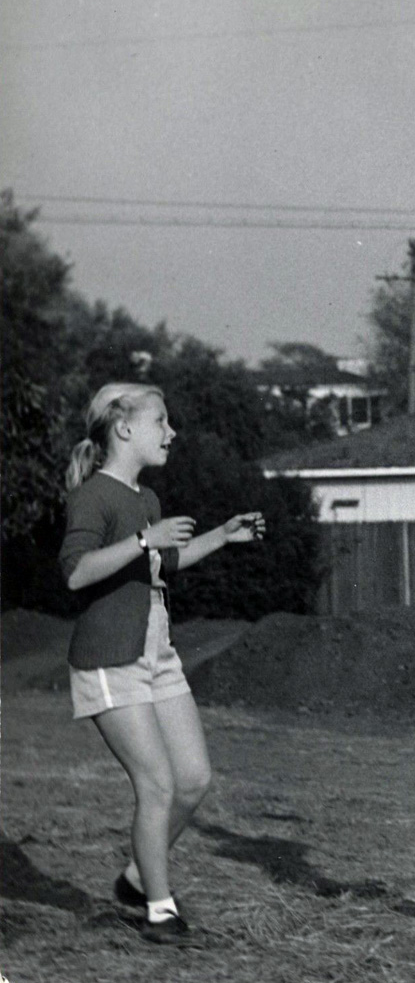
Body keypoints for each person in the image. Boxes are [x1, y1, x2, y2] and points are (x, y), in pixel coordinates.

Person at [59, 382, 265, 944]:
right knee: (156, 787)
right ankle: (160, 910)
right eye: (161, 422)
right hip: (108, 658)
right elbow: (76, 572)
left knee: (194, 782)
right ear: (124, 428)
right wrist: (141, 542)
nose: (171, 433)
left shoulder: (145, 499)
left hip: (158, 653)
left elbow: (163, 563)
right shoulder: (93, 497)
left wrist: (223, 536)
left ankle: (134, 879)